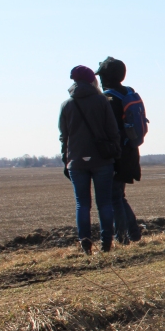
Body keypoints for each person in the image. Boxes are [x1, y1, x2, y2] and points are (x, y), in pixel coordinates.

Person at [58, 65, 121, 254]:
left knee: (82, 205)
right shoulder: (102, 101)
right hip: (102, 160)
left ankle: (85, 245)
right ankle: (106, 243)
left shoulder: (66, 105)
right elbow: (112, 130)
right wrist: (116, 153)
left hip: (76, 162)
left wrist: (66, 160)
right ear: (92, 80)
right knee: (105, 203)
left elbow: (63, 137)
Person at [96, 57, 145, 245]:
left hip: (117, 153)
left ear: (106, 77)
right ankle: (133, 234)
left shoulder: (108, 99)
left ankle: (123, 237)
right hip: (131, 150)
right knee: (118, 196)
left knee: (114, 197)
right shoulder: (129, 93)